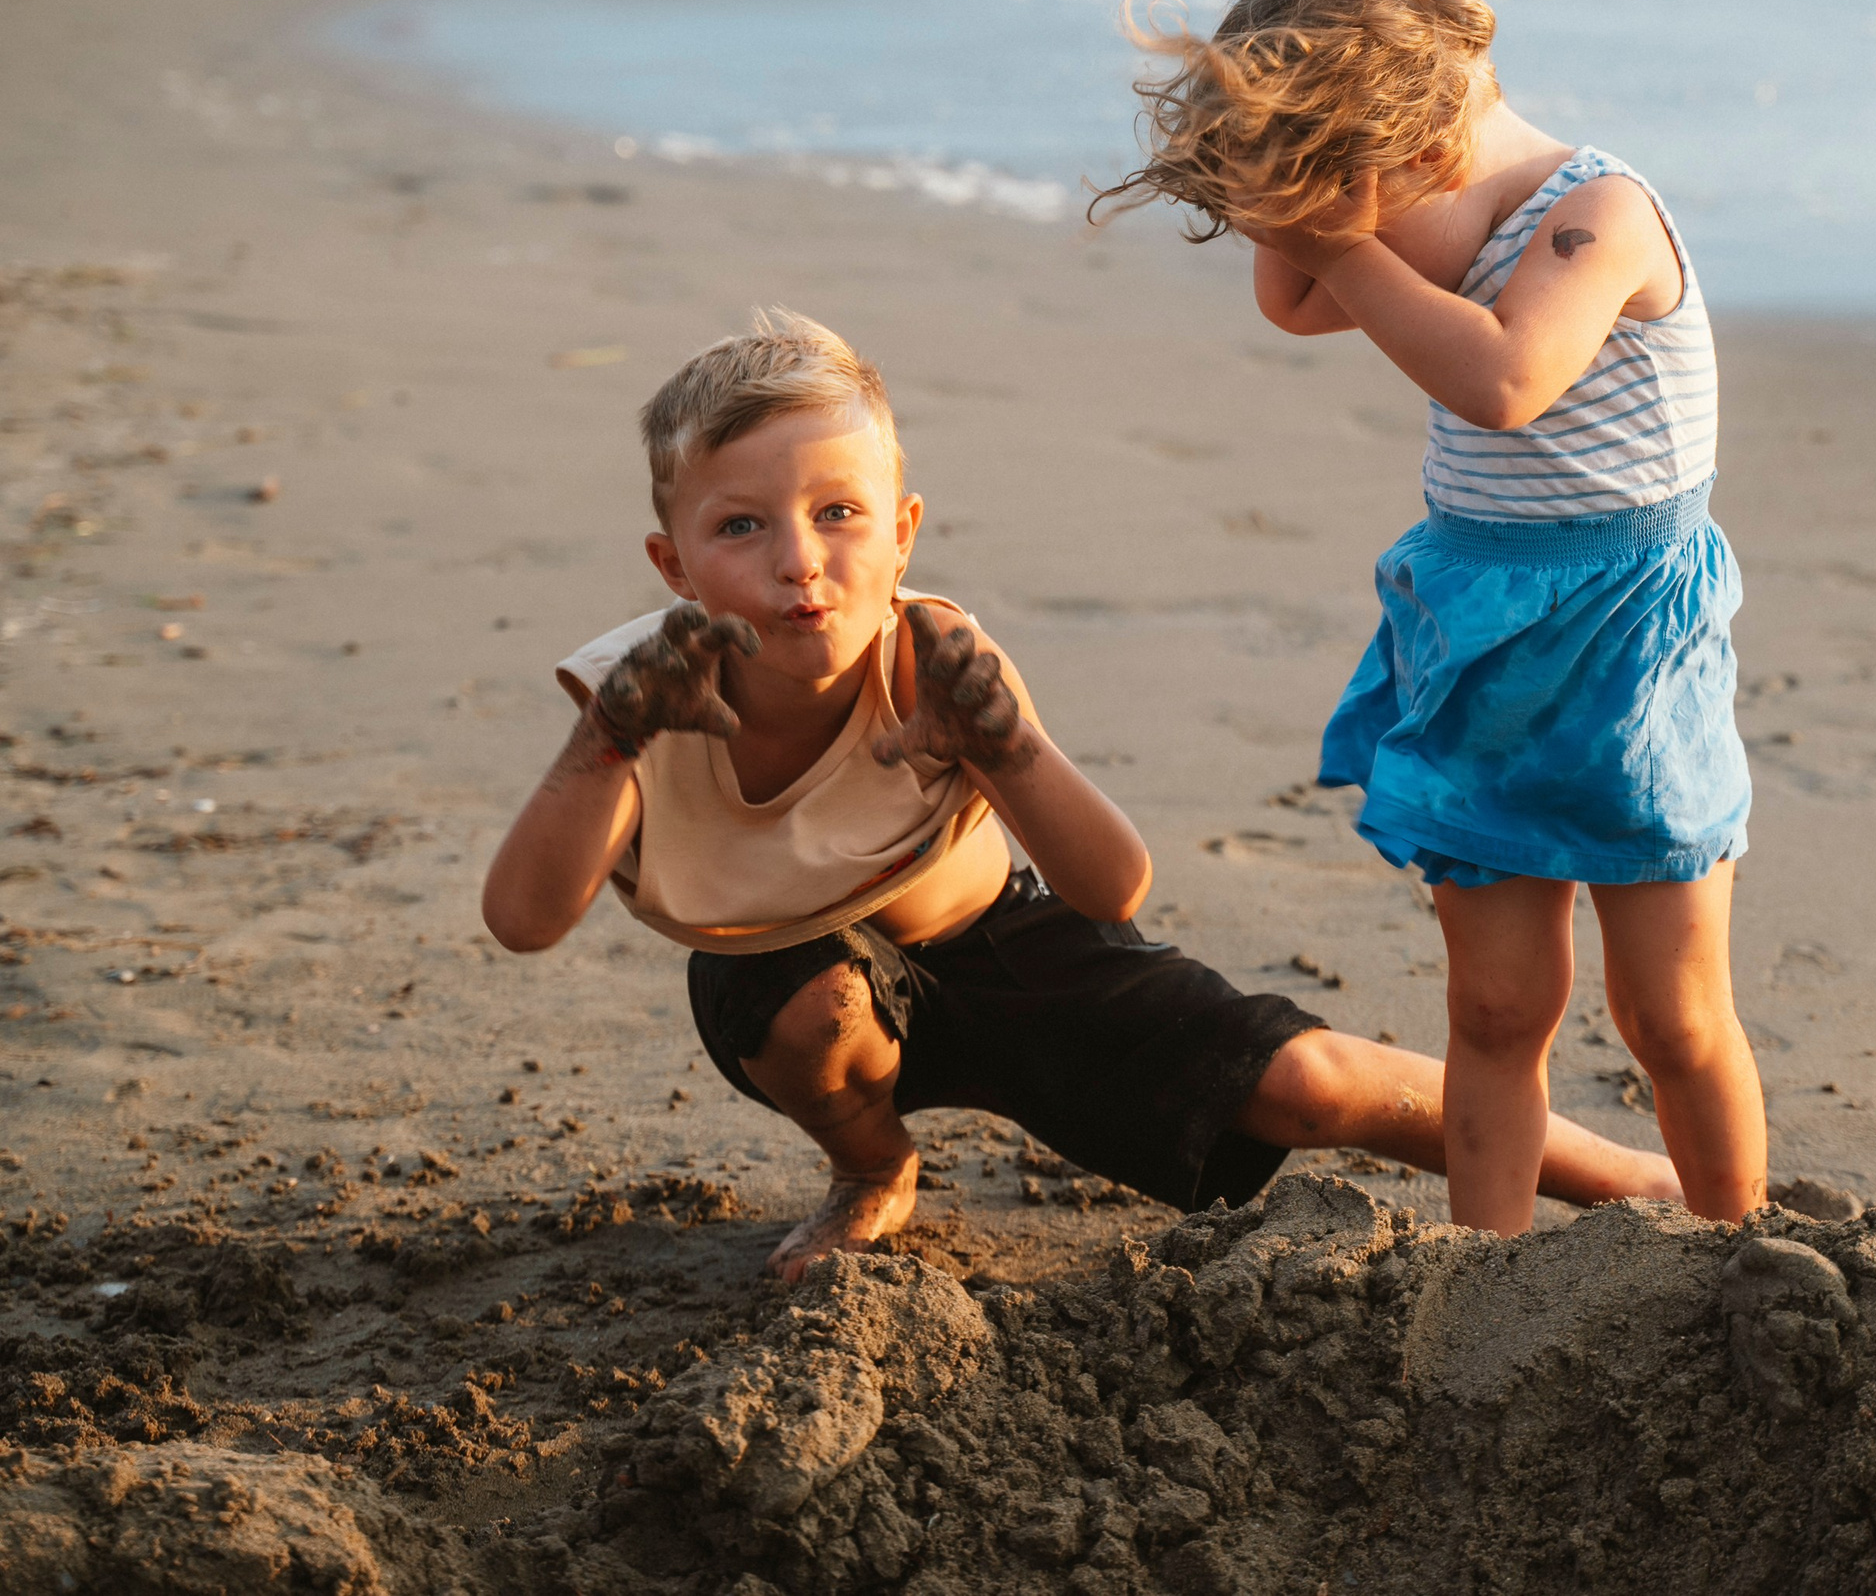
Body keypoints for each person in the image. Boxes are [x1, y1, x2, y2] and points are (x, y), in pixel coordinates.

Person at [480, 311, 1680, 1280]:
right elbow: (526, 919)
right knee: (814, 1013)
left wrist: (1003, 747)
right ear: (673, 563)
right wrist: (608, 740)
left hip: (1004, 941)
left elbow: (1111, 886)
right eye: (741, 527)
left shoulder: (936, 658)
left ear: (901, 536)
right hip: (787, 971)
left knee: (1307, 1086)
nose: (800, 562)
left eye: (838, 515)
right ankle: (870, 1167)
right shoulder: (645, 692)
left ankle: (1618, 1170)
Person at [1095, 0, 1768, 1235]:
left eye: (1338, 206)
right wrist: (1303, 218)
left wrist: (1345, 245)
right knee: (1496, 1007)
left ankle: (1741, 1247)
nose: (1335, 253)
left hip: (1627, 640)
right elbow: (1295, 302)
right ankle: (1487, 1268)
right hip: (1478, 633)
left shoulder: (1599, 214)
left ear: (1422, 145)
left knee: (1670, 1013)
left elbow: (1508, 380)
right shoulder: (1403, 223)